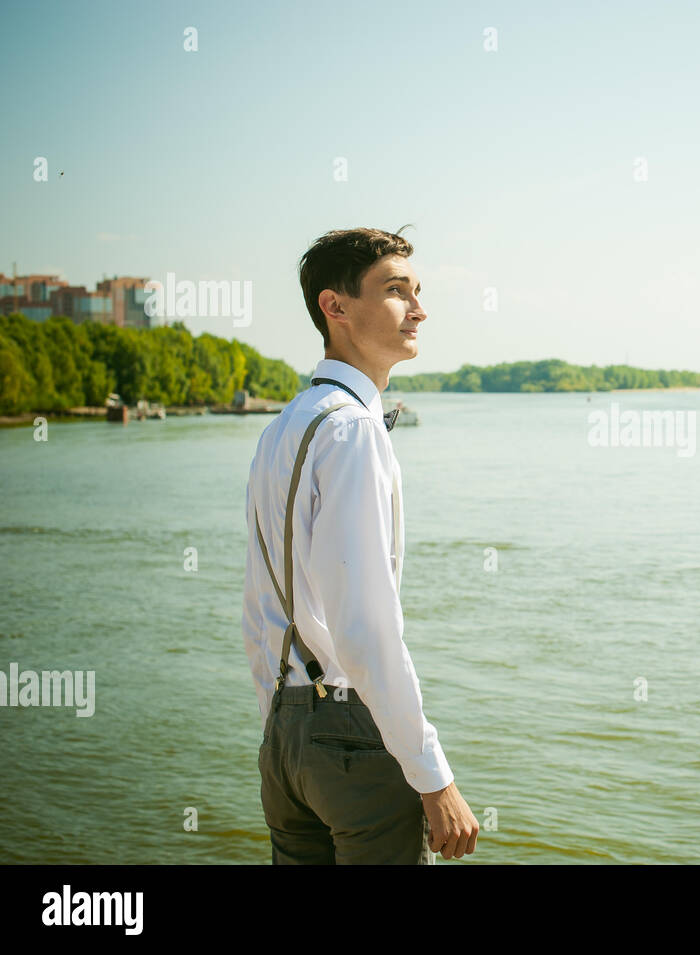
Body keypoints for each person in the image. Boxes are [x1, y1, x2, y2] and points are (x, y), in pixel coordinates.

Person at [241, 227, 479, 863]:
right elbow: (366, 629)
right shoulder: (353, 432)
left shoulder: (285, 425)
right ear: (335, 307)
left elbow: (258, 605)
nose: (419, 310)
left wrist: (282, 721)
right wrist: (434, 776)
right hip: (349, 737)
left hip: (285, 737)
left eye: (416, 292)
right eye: (396, 291)